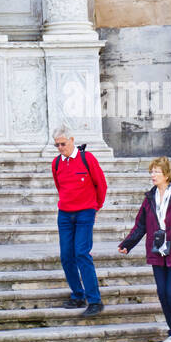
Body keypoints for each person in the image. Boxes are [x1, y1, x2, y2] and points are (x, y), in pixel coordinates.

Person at [118, 156, 171, 342]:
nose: (152, 175)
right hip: (158, 250)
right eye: (151, 171)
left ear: (166, 174)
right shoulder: (150, 198)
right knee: (163, 293)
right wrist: (127, 244)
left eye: (156, 171)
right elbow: (140, 225)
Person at [51, 126, 108, 316]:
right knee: (66, 256)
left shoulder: (87, 158)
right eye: (57, 145)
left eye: (63, 144)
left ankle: (95, 300)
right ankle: (77, 294)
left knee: (82, 253)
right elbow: (60, 187)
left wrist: (96, 206)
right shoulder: (57, 163)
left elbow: (101, 184)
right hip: (65, 214)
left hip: (85, 212)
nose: (60, 148)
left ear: (72, 140)